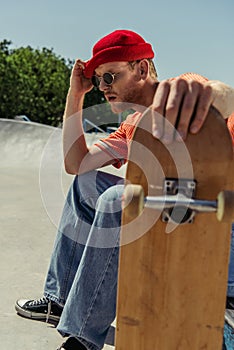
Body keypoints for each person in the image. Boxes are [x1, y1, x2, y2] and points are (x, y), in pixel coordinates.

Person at [15, 29, 234, 350]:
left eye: (111, 77)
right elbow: (77, 163)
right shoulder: (132, 127)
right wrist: (75, 96)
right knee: (88, 184)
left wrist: (211, 93)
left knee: (117, 198)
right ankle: (60, 299)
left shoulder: (182, 90)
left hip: (223, 229)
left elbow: (224, 97)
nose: (103, 88)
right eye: (99, 80)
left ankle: (81, 339)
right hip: (180, 219)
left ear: (142, 70)